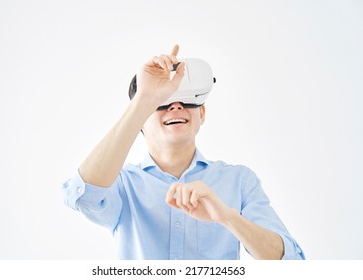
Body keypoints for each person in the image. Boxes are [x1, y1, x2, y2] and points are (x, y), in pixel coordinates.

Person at [62, 45, 305, 260]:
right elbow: (83, 195)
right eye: (162, 103)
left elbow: (289, 261)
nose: (176, 106)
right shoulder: (123, 184)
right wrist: (144, 98)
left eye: (188, 101)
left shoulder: (239, 181)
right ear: (140, 120)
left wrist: (229, 218)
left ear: (203, 114)